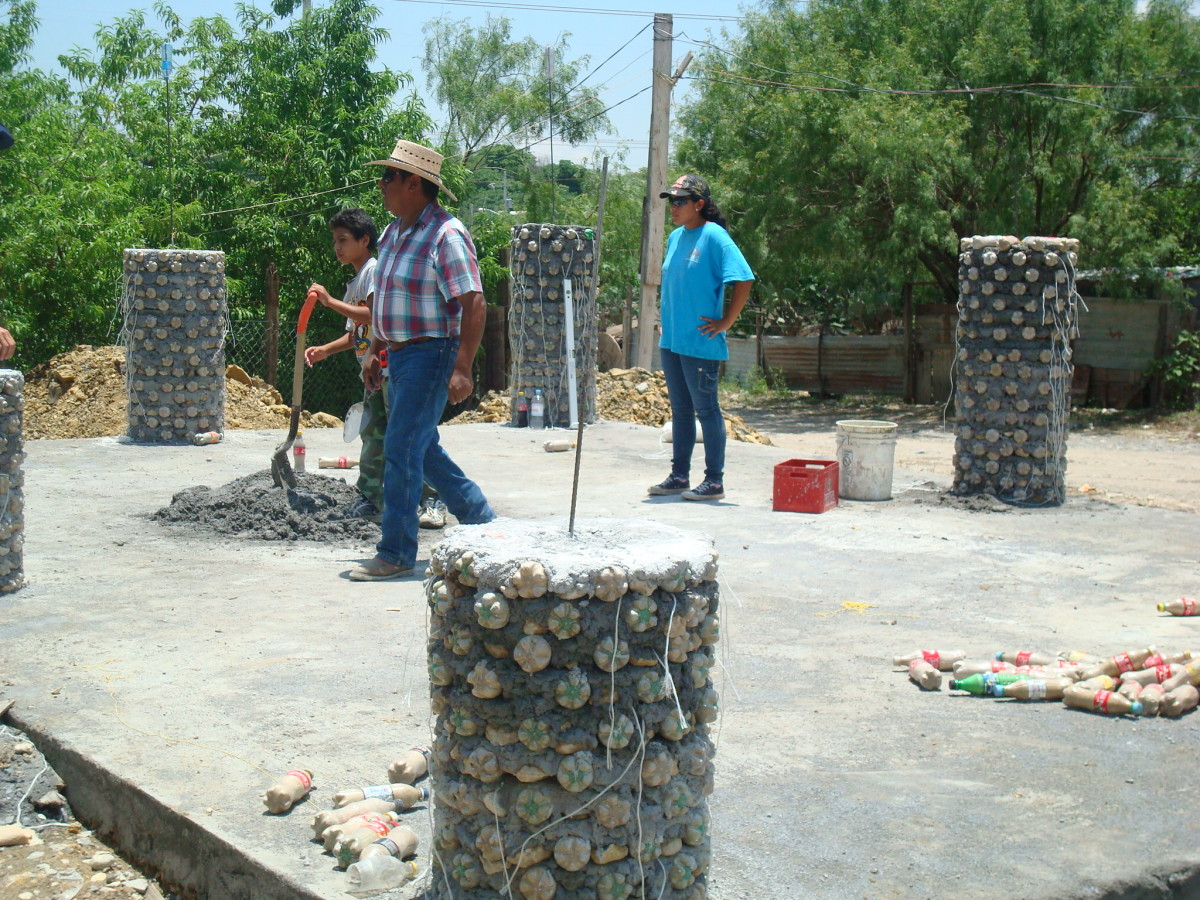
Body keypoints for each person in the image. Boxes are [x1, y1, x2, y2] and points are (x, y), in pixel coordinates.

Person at [349, 139, 494, 581]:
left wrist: (463, 366)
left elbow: (474, 303)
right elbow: (385, 301)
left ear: (415, 184)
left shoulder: (447, 234)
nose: (382, 185)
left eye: (389, 177)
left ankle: (395, 552)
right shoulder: (394, 232)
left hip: (433, 353)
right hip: (399, 354)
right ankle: (483, 522)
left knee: (401, 447)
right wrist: (375, 349)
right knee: (421, 448)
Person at [647, 174, 754, 502]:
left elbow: (744, 279)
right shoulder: (676, 237)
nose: (673, 207)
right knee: (680, 410)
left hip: (700, 342)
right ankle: (679, 476)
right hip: (673, 341)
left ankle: (714, 481)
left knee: (706, 410)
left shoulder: (715, 237)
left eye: (680, 201)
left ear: (699, 204)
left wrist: (726, 321)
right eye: (671, 201)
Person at [304, 208, 385, 521]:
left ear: (364, 240)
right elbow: (356, 335)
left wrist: (328, 302)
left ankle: (380, 499)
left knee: (383, 437)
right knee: (377, 437)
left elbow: (376, 318)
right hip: (372, 372)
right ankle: (379, 499)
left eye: (343, 240)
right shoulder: (356, 282)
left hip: (385, 368)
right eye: (334, 240)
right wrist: (325, 349)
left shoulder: (373, 271)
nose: (337, 247)